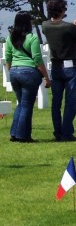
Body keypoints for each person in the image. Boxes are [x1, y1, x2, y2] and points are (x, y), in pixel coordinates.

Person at [41, 0, 76, 141]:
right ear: (61, 10)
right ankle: (66, 132)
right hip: (70, 67)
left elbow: (59, 30)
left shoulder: (45, 25)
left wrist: (72, 25)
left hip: (55, 67)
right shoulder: (69, 28)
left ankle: (58, 132)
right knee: (71, 102)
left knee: (56, 102)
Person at [4, 12, 51, 142]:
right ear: (28, 23)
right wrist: (46, 77)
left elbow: (8, 57)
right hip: (29, 72)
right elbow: (37, 59)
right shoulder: (32, 38)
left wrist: (11, 70)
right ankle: (23, 135)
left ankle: (14, 133)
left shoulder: (10, 38)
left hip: (14, 72)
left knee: (21, 104)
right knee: (26, 105)